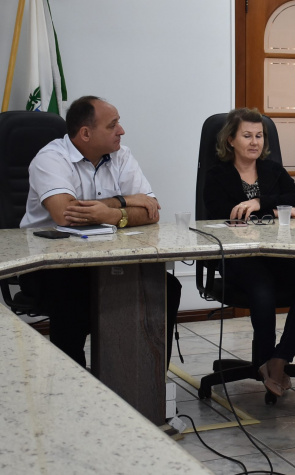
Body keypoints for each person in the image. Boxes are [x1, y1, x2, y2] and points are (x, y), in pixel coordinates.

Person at [20, 95, 181, 367]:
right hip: (50, 265)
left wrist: (113, 213)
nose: (121, 130)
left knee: (166, 288)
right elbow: (66, 214)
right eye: (112, 125)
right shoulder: (50, 158)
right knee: (72, 296)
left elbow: (151, 210)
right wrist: (124, 202)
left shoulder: (122, 155)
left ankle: (147, 381)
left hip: (107, 260)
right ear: (85, 133)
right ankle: (73, 382)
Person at [204, 107, 295, 397]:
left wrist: (259, 203)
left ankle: (280, 358)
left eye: (259, 136)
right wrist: (277, 209)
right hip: (239, 257)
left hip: (276, 252)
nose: (254, 142)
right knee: (262, 287)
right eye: (247, 136)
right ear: (230, 139)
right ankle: (262, 360)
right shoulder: (217, 175)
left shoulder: (272, 170)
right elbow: (225, 214)